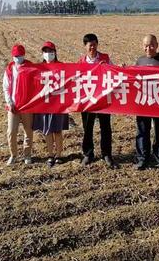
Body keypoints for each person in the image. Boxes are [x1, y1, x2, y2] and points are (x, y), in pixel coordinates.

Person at [78, 33, 118, 169]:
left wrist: (119, 68)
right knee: (87, 128)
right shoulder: (81, 62)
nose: (92, 48)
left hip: (103, 99)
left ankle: (107, 154)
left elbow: (114, 72)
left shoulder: (105, 58)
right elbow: (77, 79)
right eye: (90, 45)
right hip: (88, 100)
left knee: (105, 127)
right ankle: (88, 154)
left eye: (94, 45)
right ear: (85, 46)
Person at [134, 34, 159, 173]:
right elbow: (134, 80)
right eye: (145, 45)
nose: (148, 48)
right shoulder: (140, 61)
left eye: (151, 45)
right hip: (143, 102)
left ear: (157, 45)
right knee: (142, 130)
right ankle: (142, 158)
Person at [33, 41, 69, 168]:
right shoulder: (39, 68)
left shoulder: (62, 66)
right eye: (46, 52)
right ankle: (50, 154)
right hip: (44, 104)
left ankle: (59, 154)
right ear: (43, 53)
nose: (48, 54)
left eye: (50, 51)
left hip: (58, 104)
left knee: (57, 131)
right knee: (47, 130)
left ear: (55, 53)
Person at [3, 44, 34, 165]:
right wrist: (9, 102)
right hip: (13, 106)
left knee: (28, 131)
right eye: (16, 56)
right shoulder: (9, 69)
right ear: (12, 56)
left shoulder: (30, 67)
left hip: (27, 106)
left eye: (20, 56)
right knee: (11, 131)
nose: (18, 58)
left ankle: (27, 155)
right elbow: (6, 87)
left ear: (24, 55)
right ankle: (13, 155)